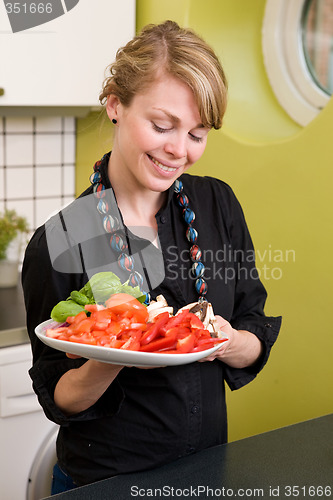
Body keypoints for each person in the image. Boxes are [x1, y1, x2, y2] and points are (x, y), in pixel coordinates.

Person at [22, 20, 281, 494]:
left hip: (206, 473)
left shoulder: (216, 205)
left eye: (197, 135)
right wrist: (115, 354)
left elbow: (254, 325)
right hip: (106, 483)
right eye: (162, 126)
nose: (178, 150)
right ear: (116, 105)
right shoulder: (63, 238)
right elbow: (58, 394)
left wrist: (224, 341)